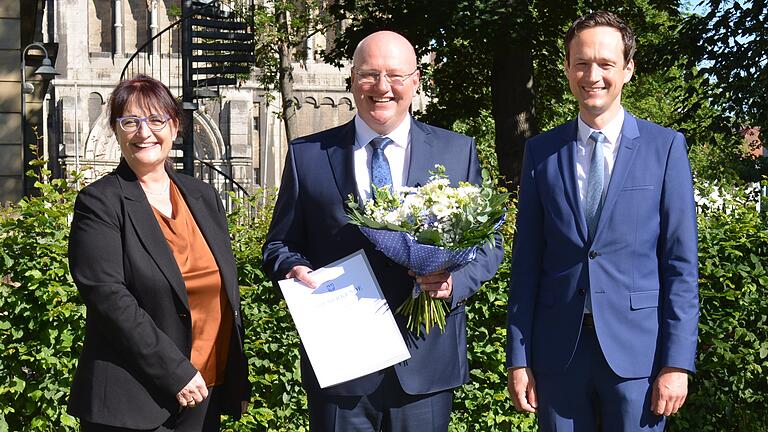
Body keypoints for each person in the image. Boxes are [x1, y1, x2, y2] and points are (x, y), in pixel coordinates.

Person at [263, 30, 503, 431]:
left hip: (424, 362)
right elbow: (280, 243)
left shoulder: (456, 151)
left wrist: (453, 283)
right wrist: (293, 269)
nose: (382, 87)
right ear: (352, 79)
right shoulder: (309, 156)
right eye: (369, 74)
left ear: (415, 81)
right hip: (343, 366)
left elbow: (489, 241)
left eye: (395, 75)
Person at [506, 10, 699, 432]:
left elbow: (681, 266)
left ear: (627, 69)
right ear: (567, 68)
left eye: (606, 63)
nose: (592, 75)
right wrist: (519, 359)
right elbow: (526, 266)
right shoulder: (542, 153)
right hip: (558, 355)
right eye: (581, 63)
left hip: (640, 360)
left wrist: (676, 362)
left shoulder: (664, 149)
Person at [67, 75, 250, 431]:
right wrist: (176, 372)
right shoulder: (99, 202)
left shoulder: (203, 197)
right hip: (134, 400)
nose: (143, 132)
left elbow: (225, 293)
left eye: (155, 120)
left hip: (205, 388)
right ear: (117, 131)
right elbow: (109, 299)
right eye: (130, 121)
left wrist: (232, 375)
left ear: (175, 126)